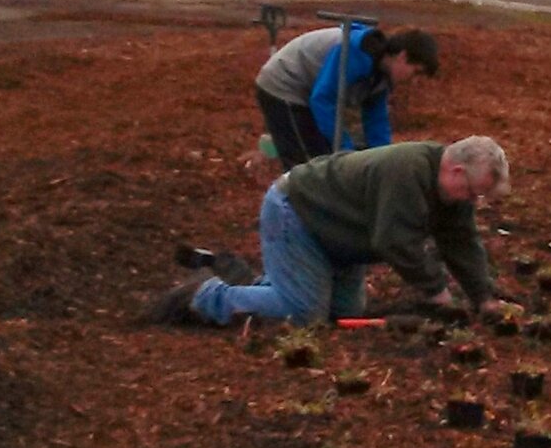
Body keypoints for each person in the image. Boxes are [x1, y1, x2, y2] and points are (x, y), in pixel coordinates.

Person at [149, 135, 505, 328]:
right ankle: (206, 296)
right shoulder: (408, 171)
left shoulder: (451, 192)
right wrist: (437, 293)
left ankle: (254, 284)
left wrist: (484, 298)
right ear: (456, 171)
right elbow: (396, 242)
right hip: (298, 213)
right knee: (306, 315)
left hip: (338, 237)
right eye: (473, 191)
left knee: (344, 312)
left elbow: (462, 242)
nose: (473, 201)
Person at [252, 23, 438, 165]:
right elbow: (323, 99)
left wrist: (382, 160)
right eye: (416, 72)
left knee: (324, 157)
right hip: (284, 84)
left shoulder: (381, 75)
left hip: (308, 91)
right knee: (307, 165)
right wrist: (346, 152)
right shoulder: (357, 52)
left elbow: (376, 120)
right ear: (403, 56)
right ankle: (289, 209)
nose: (414, 81)